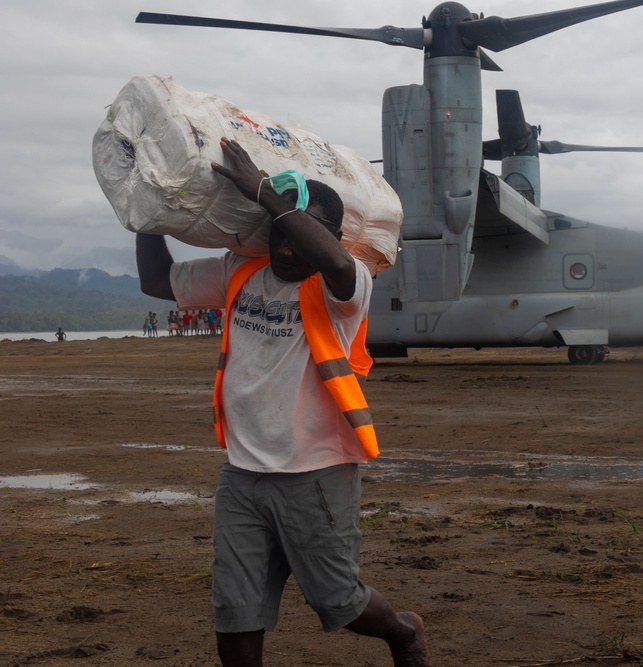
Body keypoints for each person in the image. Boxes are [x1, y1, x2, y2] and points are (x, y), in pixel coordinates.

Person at [135, 137, 430, 667]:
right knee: (235, 607)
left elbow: (336, 263)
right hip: (243, 474)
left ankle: (403, 632)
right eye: (280, 235)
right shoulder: (240, 272)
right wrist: (148, 213)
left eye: (300, 233)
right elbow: (157, 281)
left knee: (338, 600)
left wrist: (268, 196)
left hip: (316, 472)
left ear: (328, 236)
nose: (288, 247)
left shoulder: (345, 285)